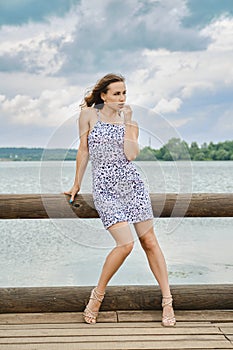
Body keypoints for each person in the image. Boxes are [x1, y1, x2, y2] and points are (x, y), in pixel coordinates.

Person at [64, 73, 176, 327]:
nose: (122, 98)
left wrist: (127, 122)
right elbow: (83, 150)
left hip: (132, 185)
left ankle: (167, 301)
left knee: (149, 241)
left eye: (124, 93)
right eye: (117, 93)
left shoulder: (131, 123)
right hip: (104, 188)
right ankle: (97, 297)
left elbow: (131, 155)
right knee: (125, 244)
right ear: (103, 95)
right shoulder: (89, 116)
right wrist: (76, 184)